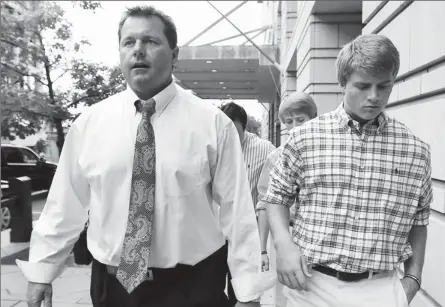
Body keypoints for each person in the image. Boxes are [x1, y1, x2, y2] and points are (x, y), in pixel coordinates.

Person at [18, 6, 275, 307]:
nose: (138, 50)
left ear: (174, 54)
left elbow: (238, 211)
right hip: (114, 286)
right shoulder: (89, 124)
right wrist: (42, 272)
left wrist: (247, 291)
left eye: (150, 42)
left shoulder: (212, 124)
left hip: (194, 285)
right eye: (129, 42)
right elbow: (65, 204)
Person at [264, 34, 432, 307]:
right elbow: (276, 197)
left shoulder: (415, 150)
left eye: (384, 86)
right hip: (312, 285)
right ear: (343, 82)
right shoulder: (305, 138)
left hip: (381, 289)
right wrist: (283, 246)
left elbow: (419, 220)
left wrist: (413, 278)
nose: (374, 97)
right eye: (363, 86)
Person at [220, 102, 276, 305]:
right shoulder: (214, 146)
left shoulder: (264, 149)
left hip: (246, 232)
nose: (230, 137)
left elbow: (272, 192)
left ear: (245, 126)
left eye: (235, 131)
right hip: (217, 232)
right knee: (212, 287)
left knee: (246, 293)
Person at [256, 92, 317, 272]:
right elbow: (264, 204)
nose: (294, 127)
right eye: (289, 122)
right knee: (285, 295)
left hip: (317, 236)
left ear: (313, 118)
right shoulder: (275, 157)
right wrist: (261, 250)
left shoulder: (326, 155)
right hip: (285, 235)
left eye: (300, 119)